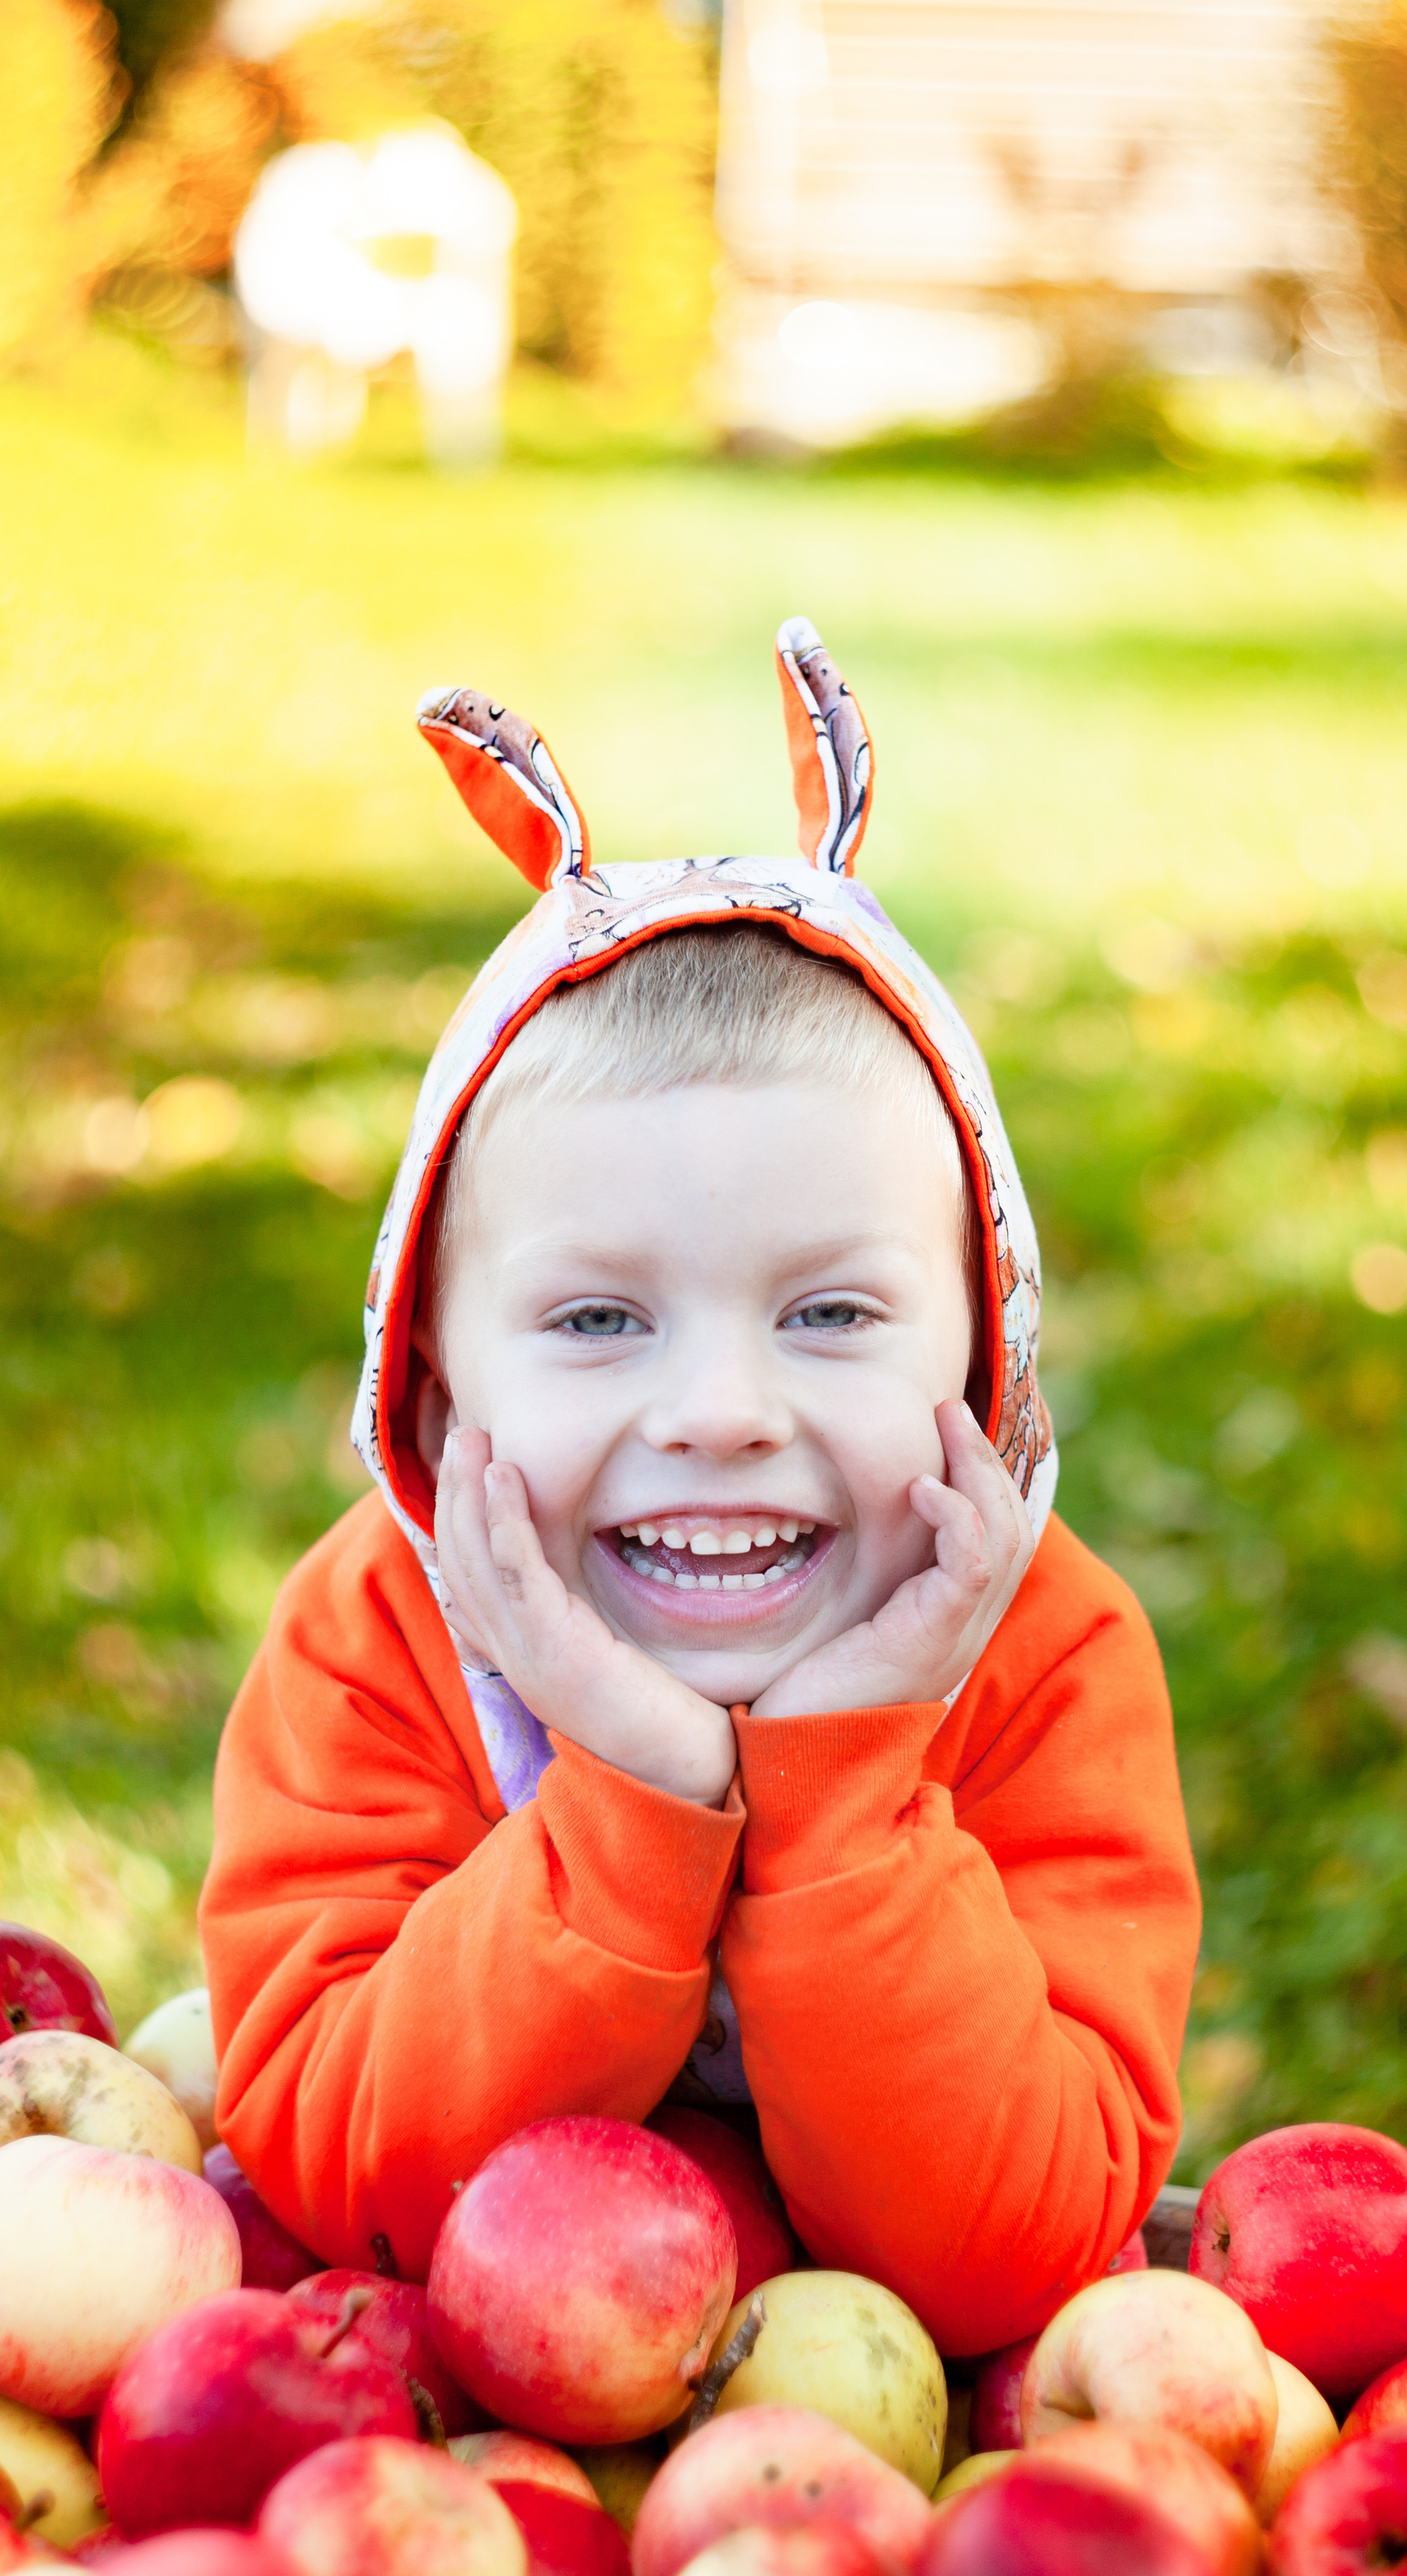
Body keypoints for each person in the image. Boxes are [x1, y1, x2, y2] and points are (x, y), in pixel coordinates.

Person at [200, 619, 1200, 2354]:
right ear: (435, 1393)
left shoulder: (1039, 1657)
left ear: (982, 1366)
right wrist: (632, 1799)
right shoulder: (381, 1644)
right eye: (596, 1320)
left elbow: (1007, 2252)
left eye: (828, 1313)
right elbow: (340, 2173)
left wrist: (841, 1786)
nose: (724, 1412)